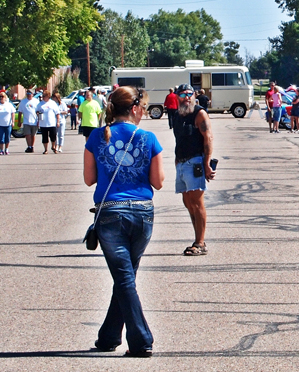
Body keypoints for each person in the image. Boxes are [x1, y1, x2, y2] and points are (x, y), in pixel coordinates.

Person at [84, 86, 164, 357]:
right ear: (133, 108)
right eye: (142, 107)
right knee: (126, 276)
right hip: (142, 213)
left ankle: (141, 339)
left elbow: (89, 178)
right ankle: (108, 337)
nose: (143, 111)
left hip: (110, 212)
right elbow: (158, 182)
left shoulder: (96, 136)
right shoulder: (149, 137)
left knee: (124, 277)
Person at [172, 84, 215, 256]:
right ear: (177, 97)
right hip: (181, 163)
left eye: (189, 94)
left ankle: (200, 243)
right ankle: (198, 238)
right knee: (188, 203)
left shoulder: (200, 113)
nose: (186, 97)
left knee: (197, 203)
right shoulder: (177, 115)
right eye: (183, 94)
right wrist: (176, 161)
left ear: (195, 95)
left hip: (195, 162)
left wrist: (207, 163)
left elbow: (208, 138)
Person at [35, 90, 61, 155]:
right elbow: (36, 111)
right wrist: (38, 113)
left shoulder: (52, 103)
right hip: (43, 123)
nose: (43, 97)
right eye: (43, 96)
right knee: (44, 137)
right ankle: (45, 149)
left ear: (48, 96)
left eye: (44, 96)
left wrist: (58, 122)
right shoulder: (40, 104)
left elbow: (57, 113)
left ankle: (53, 147)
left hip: (52, 123)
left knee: (53, 136)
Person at [17, 88, 39, 153]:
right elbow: (20, 112)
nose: (29, 95)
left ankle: (32, 146)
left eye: (30, 93)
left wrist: (39, 121)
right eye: (28, 93)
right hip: (26, 121)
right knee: (27, 134)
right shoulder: (23, 102)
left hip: (34, 121)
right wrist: (19, 121)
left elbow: (38, 111)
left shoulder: (36, 101)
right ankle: (29, 146)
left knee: (33, 135)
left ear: (32, 94)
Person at [0, 91, 14, 155]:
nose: (1, 98)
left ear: (5, 97)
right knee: (1, 138)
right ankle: (1, 150)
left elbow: (12, 113)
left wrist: (13, 122)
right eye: (0, 97)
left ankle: (6, 149)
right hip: (0, 124)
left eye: (2, 96)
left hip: (8, 124)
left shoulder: (9, 105)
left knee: (7, 137)